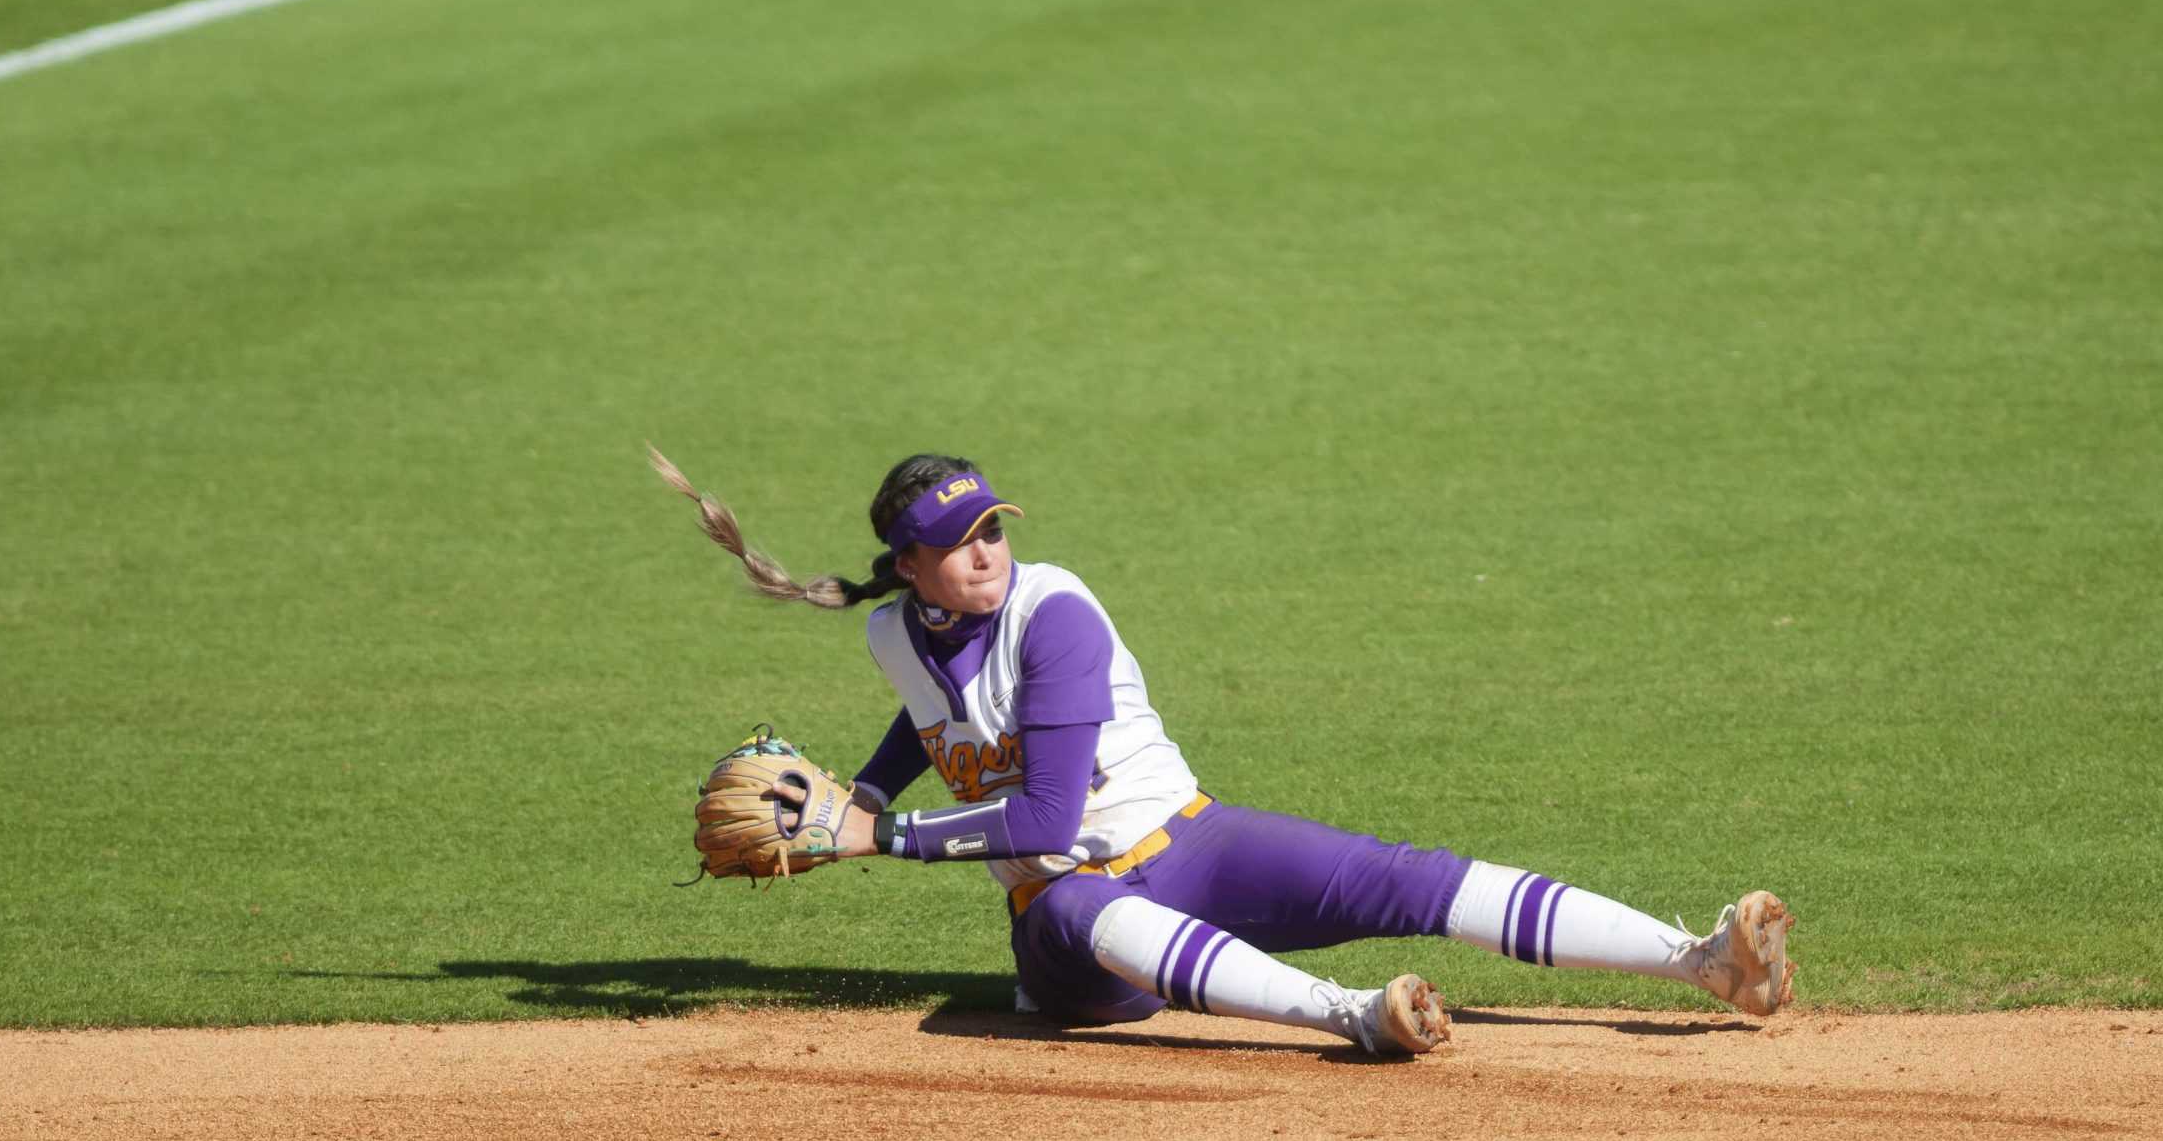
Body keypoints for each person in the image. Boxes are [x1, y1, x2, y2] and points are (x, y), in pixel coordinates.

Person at [685, 452, 1795, 1056]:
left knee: (1401, 875)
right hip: (1072, 940)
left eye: (993, 528)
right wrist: (870, 787)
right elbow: (931, 711)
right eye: (957, 543)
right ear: (909, 566)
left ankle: (1701, 961)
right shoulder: (893, 633)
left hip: (1194, 843)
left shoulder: (1054, 613)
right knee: (1064, 903)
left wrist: (873, 832)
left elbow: (1039, 817)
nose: (985, 553)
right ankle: (1352, 1015)